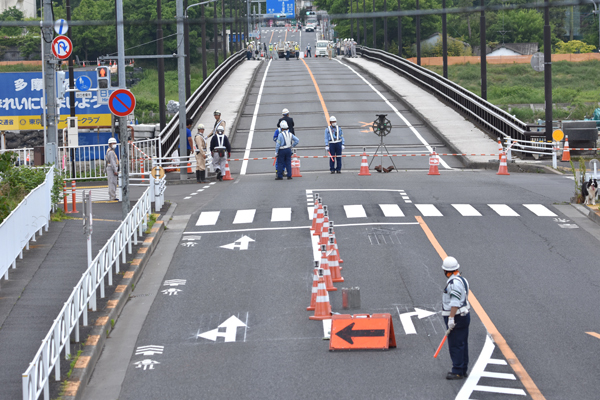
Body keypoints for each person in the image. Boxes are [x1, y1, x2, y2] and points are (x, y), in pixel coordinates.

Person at [441, 256, 471, 380]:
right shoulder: (462, 280)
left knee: (455, 344)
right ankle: (463, 369)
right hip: (464, 314)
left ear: (446, 271)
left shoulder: (453, 283)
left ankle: (457, 370)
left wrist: (451, 319)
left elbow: (454, 303)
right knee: (462, 343)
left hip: (457, 316)